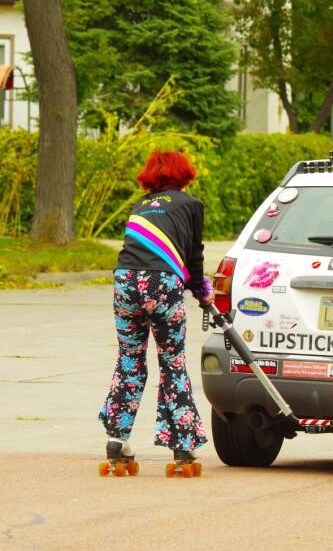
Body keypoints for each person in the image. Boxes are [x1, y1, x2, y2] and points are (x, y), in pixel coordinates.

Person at [98, 150, 212, 470]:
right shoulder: (191, 205)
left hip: (125, 281)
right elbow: (193, 258)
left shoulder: (140, 205)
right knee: (172, 361)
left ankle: (116, 440)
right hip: (162, 284)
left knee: (130, 360)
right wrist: (203, 294)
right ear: (184, 175)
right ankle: (181, 445)